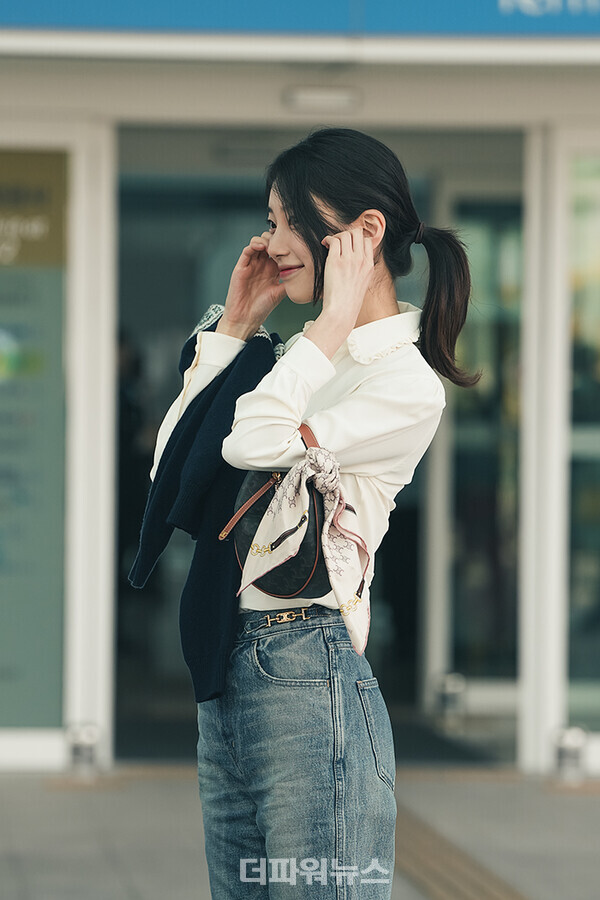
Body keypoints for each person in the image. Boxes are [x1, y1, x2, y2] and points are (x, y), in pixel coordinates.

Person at [147, 128, 479, 898]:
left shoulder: (403, 383)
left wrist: (327, 325)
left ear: (365, 232)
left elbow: (251, 442)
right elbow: (170, 479)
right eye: (270, 222)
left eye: (290, 220)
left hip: (307, 670)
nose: (272, 243)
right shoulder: (294, 365)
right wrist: (233, 331)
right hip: (228, 673)